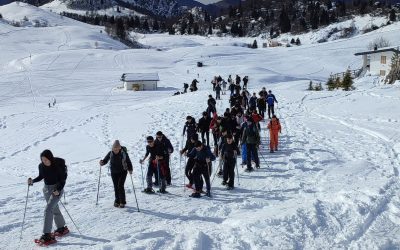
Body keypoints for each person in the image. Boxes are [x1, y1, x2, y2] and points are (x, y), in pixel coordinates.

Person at [28, 150, 69, 244]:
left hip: (56, 189)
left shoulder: (57, 167)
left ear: (50, 158)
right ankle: (61, 227)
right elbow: (41, 176)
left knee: (48, 209)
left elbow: (62, 180)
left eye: (46, 160)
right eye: (42, 160)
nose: (44, 162)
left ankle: (47, 235)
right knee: (53, 208)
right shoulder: (41, 166)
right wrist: (32, 181)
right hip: (46, 190)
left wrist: (58, 190)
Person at [100, 140, 133, 208]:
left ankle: (122, 202)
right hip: (114, 172)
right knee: (116, 186)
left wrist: (130, 169)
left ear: (119, 148)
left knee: (120, 186)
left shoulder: (124, 153)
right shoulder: (110, 153)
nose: (115, 150)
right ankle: (117, 201)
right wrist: (102, 162)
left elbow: (128, 161)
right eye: (114, 149)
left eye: (116, 149)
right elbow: (105, 160)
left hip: (123, 171)